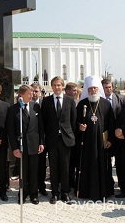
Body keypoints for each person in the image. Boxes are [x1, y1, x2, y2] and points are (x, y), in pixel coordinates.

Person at [76, 76, 115, 201]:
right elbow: (75, 121)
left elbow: (111, 124)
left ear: (98, 89)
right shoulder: (82, 104)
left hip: (101, 142)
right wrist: (79, 126)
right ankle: (86, 191)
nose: (93, 91)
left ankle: (103, 191)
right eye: (91, 88)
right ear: (87, 89)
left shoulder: (106, 104)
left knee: (102, 165)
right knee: (86, 165)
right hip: (86, 142)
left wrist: (110, 140)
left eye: (95, 88)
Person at [41, 76, 77, 204]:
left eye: (59, 85)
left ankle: (65, 193)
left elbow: (73, 121)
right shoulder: (46, 102)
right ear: (51, 86)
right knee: (54, 167)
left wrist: (69, 135)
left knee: (66, 167)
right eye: (54, 85)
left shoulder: (70, 101)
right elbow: (43, 123)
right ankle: (55, 193)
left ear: (62, 86)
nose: (57, 87)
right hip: (52, 140)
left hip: (66, 140)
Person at [7, 84, 44, 205]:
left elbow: (40, 127)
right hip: (21, 145)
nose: (32, 95)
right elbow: (11, 131)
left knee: (33, 171)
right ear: (21, 95)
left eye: (33, 93)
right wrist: (15, 148)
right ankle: (23, 193)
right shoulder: (13, 109)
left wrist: (41, 143)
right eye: (29, 93)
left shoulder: (36, 107)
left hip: (34, 144)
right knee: (23, 172)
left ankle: (34, 194)